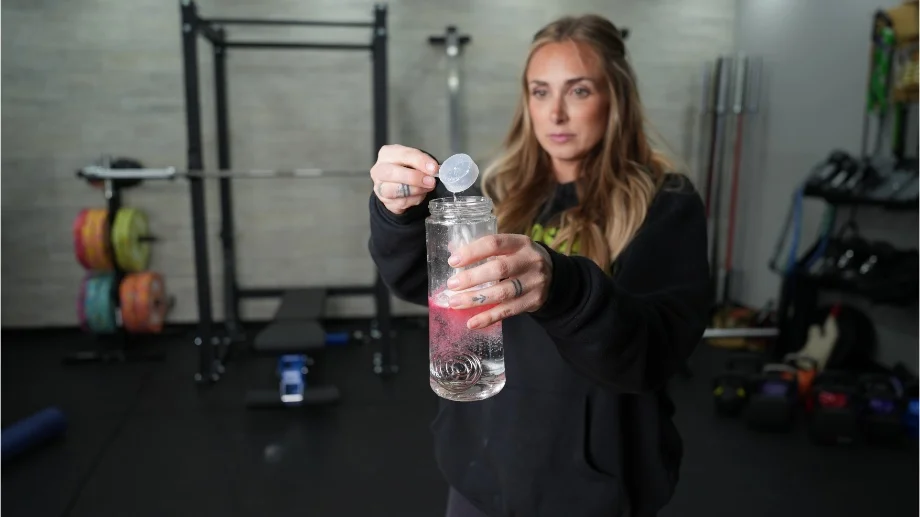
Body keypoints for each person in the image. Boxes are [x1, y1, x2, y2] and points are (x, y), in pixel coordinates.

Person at [367, 13, 710, 517]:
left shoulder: (665, 202)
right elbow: (423, 280)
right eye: (540, 91)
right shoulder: (499, 190)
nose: (556, 114)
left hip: (590, 485)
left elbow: (653, 352)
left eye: (578, 91)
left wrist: (565, 290)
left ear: (615, 96)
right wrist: (398, 213)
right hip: (480, 470)